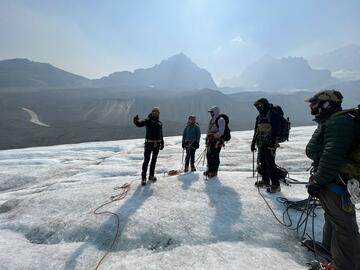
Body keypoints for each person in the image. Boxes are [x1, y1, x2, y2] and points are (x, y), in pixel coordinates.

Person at [305, 89, 360, 270]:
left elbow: (332, 156)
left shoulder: (338, 122)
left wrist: (318, 180)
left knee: (344, 225)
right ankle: (331, 252)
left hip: (336, 181)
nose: (311, 107)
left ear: (326, 104)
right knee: (333, 218)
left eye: (314, 103)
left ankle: (345, 265)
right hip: (334, 180)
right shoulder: (332, 120)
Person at [251, 98, 281, 193]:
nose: (258, 108)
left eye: (259, 106)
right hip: (261, 142)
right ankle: (265, 180)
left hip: (270, 143)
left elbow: (276, 129)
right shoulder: (259, 117)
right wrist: (253, 142)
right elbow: (256, 131)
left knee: (270, 162)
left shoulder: (272, 114)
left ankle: (276, 184)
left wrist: (271, 139)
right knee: (263, 161)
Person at [133, 107, 164, 186]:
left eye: (157, 113)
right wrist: (136, 121)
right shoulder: (148, 121)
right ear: (152, 113)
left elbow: (161, 134)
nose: (155, 114)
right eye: (154, 112)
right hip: (149, 144)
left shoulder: (159, 123)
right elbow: (139, 124)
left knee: (154, 161)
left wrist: (162, 142)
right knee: (146, 160)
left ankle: (151, 176)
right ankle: (143, 178)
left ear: (158, 114)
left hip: (157, 144)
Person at [204, 106, 225, 178]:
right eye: (210, 112)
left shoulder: (221, 120)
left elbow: (221, 132)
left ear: (215, 112)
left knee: (215, 155)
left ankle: (214, 171)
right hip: (210, 140)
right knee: (209, 155)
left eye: (212, 112)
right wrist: (207, 138)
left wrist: (213, 136)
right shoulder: (212, 120)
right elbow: (209, 130)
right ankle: (209, 170)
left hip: (217, 141)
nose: (211, 113)